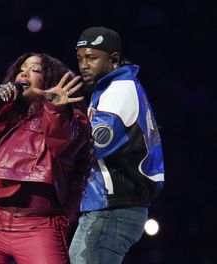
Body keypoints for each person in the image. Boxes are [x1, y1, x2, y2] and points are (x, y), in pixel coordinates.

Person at [0, 52, 93, 264]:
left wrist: (56, 110)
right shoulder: (3, 117)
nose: (24, 73)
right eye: (21, 70)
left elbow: (62, 145)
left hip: (37, 226)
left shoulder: (71, 119)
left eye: (35, 70)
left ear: (50, 80)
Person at [68, 26, 165, 264]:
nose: (83, 65)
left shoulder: (119, 90)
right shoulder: (114, 88)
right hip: (109, 206)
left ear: (113, 59)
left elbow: (91, 146)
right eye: (80, 59)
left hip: (114, 207)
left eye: (91, 58)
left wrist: (58, 115)